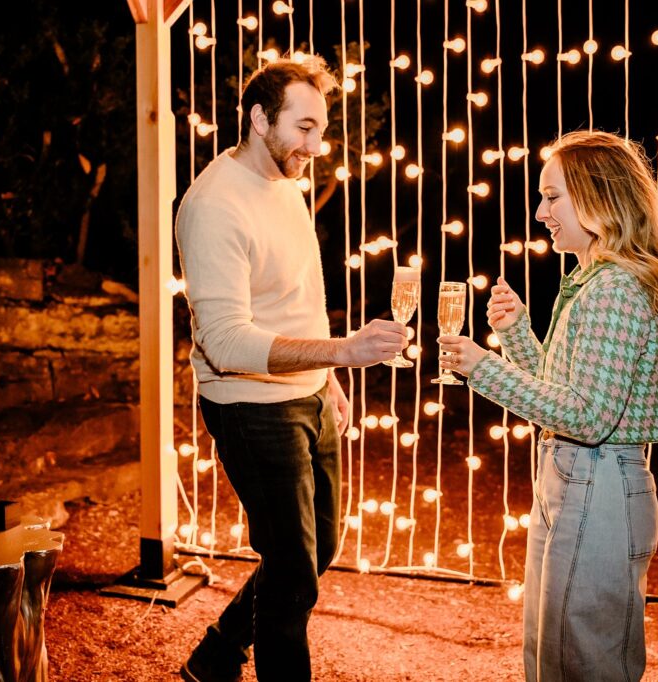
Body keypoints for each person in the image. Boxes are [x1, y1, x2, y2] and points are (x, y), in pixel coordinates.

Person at [174, 55, 408, 682]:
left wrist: (326, 378)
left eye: (321, 129)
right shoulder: (214, 205)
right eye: (304, 128)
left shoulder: (286, 183)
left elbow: (295, 301)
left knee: (319, 545)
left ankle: (218, 652)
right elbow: (224, 341)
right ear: (258, 119)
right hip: (249, 406)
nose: (317, 145)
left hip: (307, 393)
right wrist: (340, 351)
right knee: (292, 566)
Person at [438, 130, 658, 681]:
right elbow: (565, 392)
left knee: (584, 661)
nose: (540, 212)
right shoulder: (590, 280)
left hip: (598, 485)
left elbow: (587, 417)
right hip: (573, 477)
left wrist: (482, 367)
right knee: (552, 652)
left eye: (552, 197)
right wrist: (516, 335)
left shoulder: (615, 290)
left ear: (599, 197)